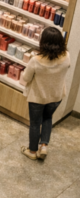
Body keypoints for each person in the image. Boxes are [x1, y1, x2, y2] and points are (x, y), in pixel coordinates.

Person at [19, 27, 70, 160]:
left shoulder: (36, 60)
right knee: (48, 118)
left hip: (38, 98)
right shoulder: (66, 56)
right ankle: (44, 146)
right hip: (56, 96)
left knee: (35, 124)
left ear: (43, 42)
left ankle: (32, 151)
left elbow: (26, 78)